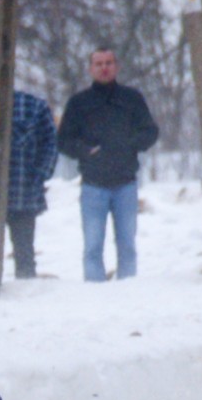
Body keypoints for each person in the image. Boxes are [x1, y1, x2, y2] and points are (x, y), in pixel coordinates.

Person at [57, 47, 158, 281]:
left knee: (127, 246)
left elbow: (150, 131)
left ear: (117, 66)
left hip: (126, 183)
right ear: (90, 69)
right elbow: (63, 141)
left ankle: (128, 291)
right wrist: (85, 151)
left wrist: (130, 145)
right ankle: (95, 296)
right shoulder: (79, 103)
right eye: (99, 63)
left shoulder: (131, 99)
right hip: (93, 185)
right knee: (92, 247)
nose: (104, 68)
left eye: (109, 63)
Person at [5, 90, 58, 280]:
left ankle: (26, 291)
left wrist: (40, 175)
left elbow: (51, 143)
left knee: (24, 249)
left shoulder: (34, 105)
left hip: (23, 188)